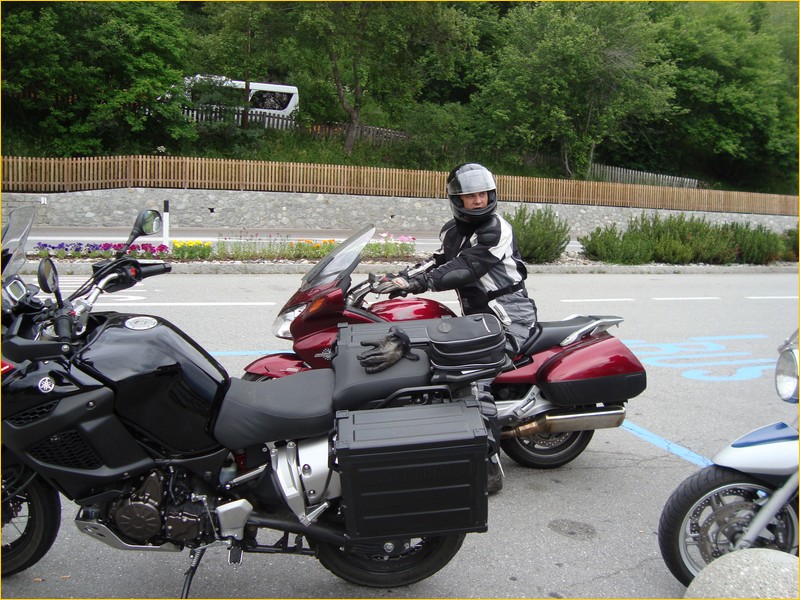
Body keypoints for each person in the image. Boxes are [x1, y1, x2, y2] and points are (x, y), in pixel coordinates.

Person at [375, 162, 538, 353]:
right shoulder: (452, 231)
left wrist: (419, 283)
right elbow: (437, 261)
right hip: (479, 318)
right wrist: (402, 278)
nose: (478, 201)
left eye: (482, 194)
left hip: (511, 318)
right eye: (470, 196)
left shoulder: (497, 229)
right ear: (458, 200)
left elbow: (467, 267)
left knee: (467, 365)